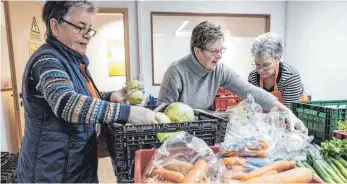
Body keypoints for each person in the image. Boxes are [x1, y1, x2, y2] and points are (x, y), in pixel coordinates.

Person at [16, 1, 157, 183]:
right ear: (55, 26)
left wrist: (110, 96)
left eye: (89, 29)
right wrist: (126, 113)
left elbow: (82, 96)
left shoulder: (73, 61)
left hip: (76, 167)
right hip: (51, 173)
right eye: (80, 27)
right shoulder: (47, 61)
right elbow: (67, 103)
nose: (87, 35)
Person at [158, 21, 308, 134]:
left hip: (204, 130)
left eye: (221, 50)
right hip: (178, 133)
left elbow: (250, 91)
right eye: (214, 51)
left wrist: (286, 111)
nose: (219, 56)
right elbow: (162, 115)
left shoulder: (219, 70)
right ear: (197, 51)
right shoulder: (176, 72)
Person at [248, 32, 309, 108]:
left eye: (266, 65)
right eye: (257, 64)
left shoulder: (290, 76)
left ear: (278, 58)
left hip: (296, 114)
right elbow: (253, 105)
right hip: (270, 115)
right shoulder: (253, 77)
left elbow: (289, 111)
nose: (260, 70)